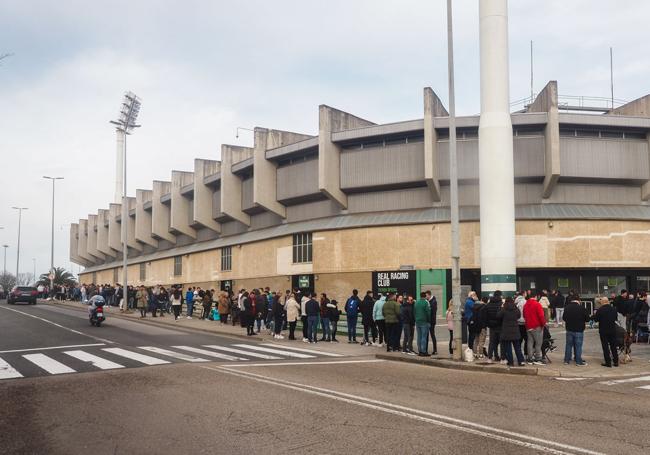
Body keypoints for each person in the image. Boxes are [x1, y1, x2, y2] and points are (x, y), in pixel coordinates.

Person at [497, 297, 525, 367]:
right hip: (515, 330)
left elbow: (498, 316)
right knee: (517, 347)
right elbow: (519, 316)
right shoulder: (516, 309)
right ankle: (521, 361)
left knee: (508, 348)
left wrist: (501, 308)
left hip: (506, 331)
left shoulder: (504, 309)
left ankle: (511, 362)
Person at [592, 296, 619, 367]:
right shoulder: (613, 309)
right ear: (608, 301)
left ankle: (608, 362)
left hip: (603, 330)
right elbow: (615, 318)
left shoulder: (600, 310)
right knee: (613, 345)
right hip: (612, 329)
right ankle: (616, 361)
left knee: (605, 346)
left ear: (602, 302)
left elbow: (596, 319)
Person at [562, 294, 589, 366]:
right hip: (579, 330)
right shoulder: (582, 308)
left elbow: (564, 318)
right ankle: (578, 361)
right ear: (579, 300)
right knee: (578, 346)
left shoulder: (567, 308)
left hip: (569, 329)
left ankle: (566, 360)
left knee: (568, 345)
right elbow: (587, 319)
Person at [523, 295, 546, 365]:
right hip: (536, 326)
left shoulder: (525, 305)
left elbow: (524, 315)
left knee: (530, 342)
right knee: (538, 343)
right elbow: (541, 316)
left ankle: (530, 358)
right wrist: (543, 324)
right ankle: (537, 358)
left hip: (528, 326)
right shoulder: (537, 304)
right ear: (535, 297)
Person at [484, 291, 503, 362]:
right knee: (501, 342)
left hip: (492, 327)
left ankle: (489, 357)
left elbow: (485, 315)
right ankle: (501, 357)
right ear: (500, 295)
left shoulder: (488, 305)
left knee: (492, 342)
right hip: (500, 326)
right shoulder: (501, 304)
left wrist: (488, 324)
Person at [414, 292, 431, 356]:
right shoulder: (426, 303)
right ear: (425, 296)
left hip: (418, 321)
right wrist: (429, 321)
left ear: (420, 296)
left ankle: (420, 351)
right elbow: (428, 313)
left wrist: (416, 319)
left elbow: (414, 311)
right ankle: (423, 351)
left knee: (419, 336)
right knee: (424, 337)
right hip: (424, 322)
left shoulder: (416, 303)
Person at [426, 291, 438, 355]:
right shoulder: (429, 301)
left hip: (431, 321)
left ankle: (435, 350)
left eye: (426, 295)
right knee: (427, 335)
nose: (426, 297)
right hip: (429, 321)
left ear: (429, 295)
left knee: (432, 335)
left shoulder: (433, 301)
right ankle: (425, 349)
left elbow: (432, 312)